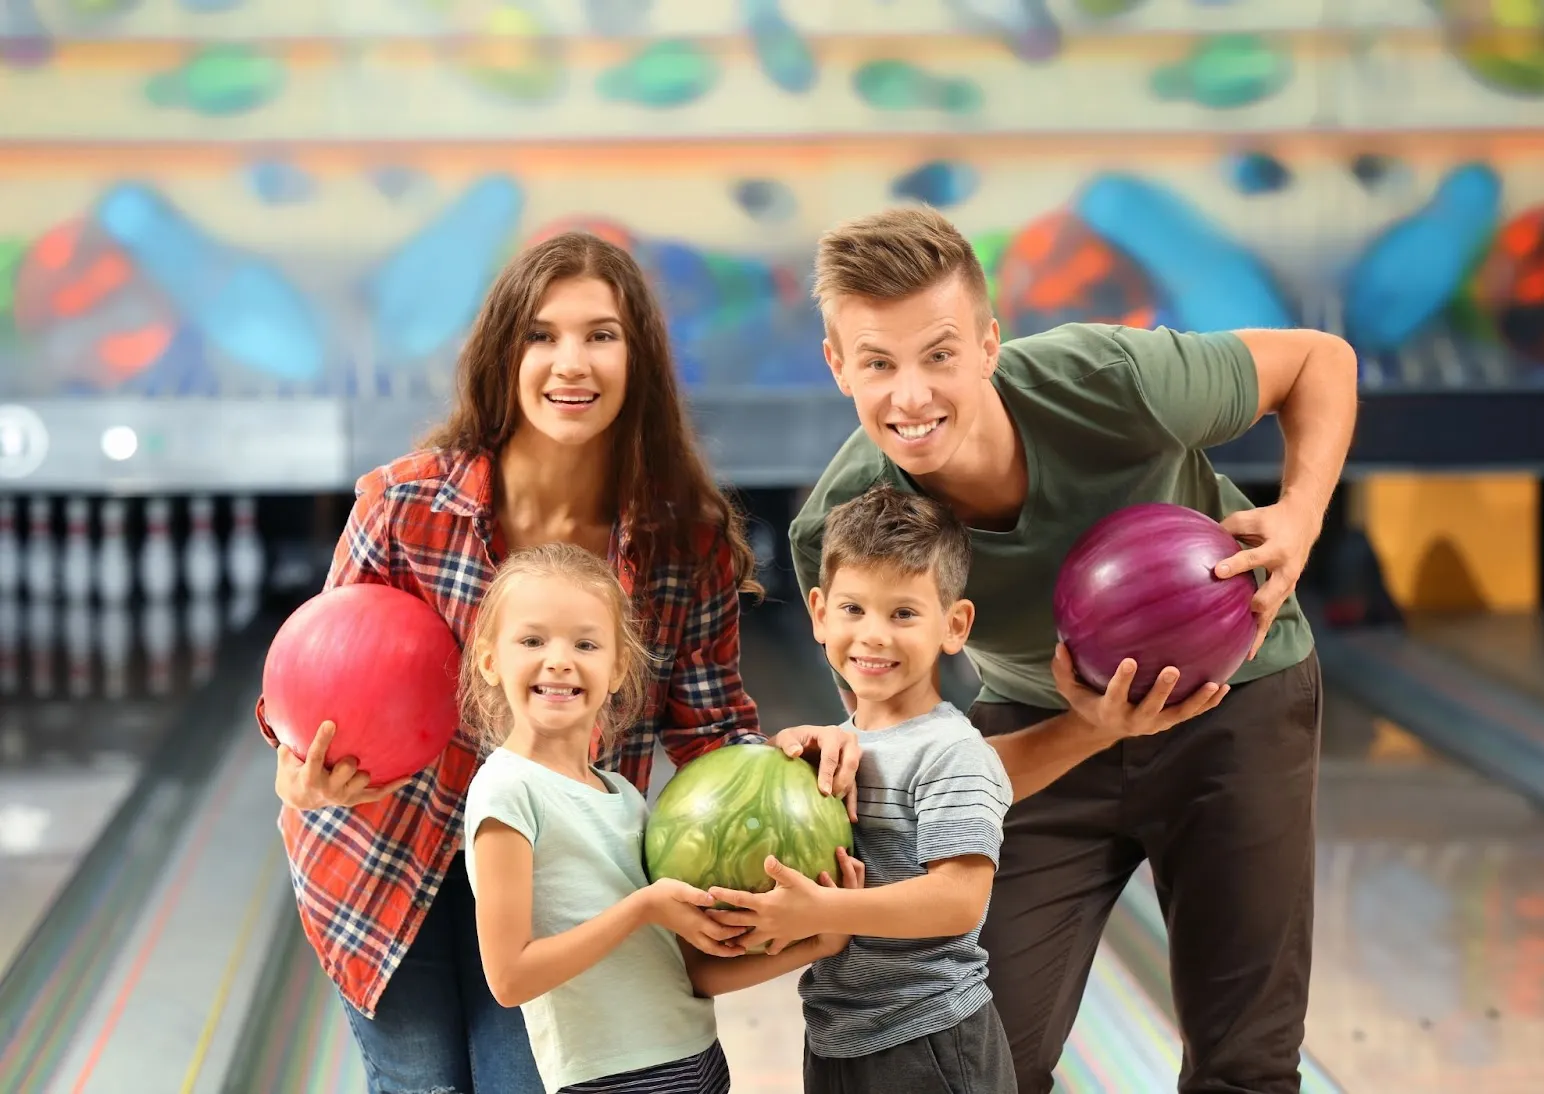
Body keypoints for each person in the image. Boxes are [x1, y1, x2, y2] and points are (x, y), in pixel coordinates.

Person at [257, 232, 860, 1094]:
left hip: (558, 884)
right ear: (505, 352)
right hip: (387, 861)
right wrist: (295, 766)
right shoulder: (405, 508)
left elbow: (714, 734)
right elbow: (308, 683)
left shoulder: (682, 546)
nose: (569, 362)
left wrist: (790, 768)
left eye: (600, 335)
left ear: (638, 357)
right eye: (542, 334)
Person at [787, 206, 1358, 1093]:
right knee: (980, 1059)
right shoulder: (843, 528)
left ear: (987, 344)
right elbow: (913, 748)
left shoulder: (1112, 379)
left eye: (939, 354)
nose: (911, 395)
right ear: (838, 366)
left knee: (1246, 1062)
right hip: (1039, 726)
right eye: (877, 363)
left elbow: (1321, 360)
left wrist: (1300, 515)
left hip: (1239, 702)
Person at [460, 542, 866, 1094]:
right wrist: (644, 907)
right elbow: (510, 978)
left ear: (619, 667)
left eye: (585, 643)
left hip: (698, 1059)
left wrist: (818, 944)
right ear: (490, 659)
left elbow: (692, 975)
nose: (558, 659)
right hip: (611, 1079)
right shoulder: (508, 792)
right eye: (532, 640)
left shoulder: (623, 795)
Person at [712, 484, 1018, 1094]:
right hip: (837, 1031)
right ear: (820, 614)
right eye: (854, 610)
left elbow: (959, 900)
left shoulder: (952, 752)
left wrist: (826, 912)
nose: (874, 635)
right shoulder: (836, 746)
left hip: (929, 1038)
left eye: (903, 613)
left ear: (953, 625)